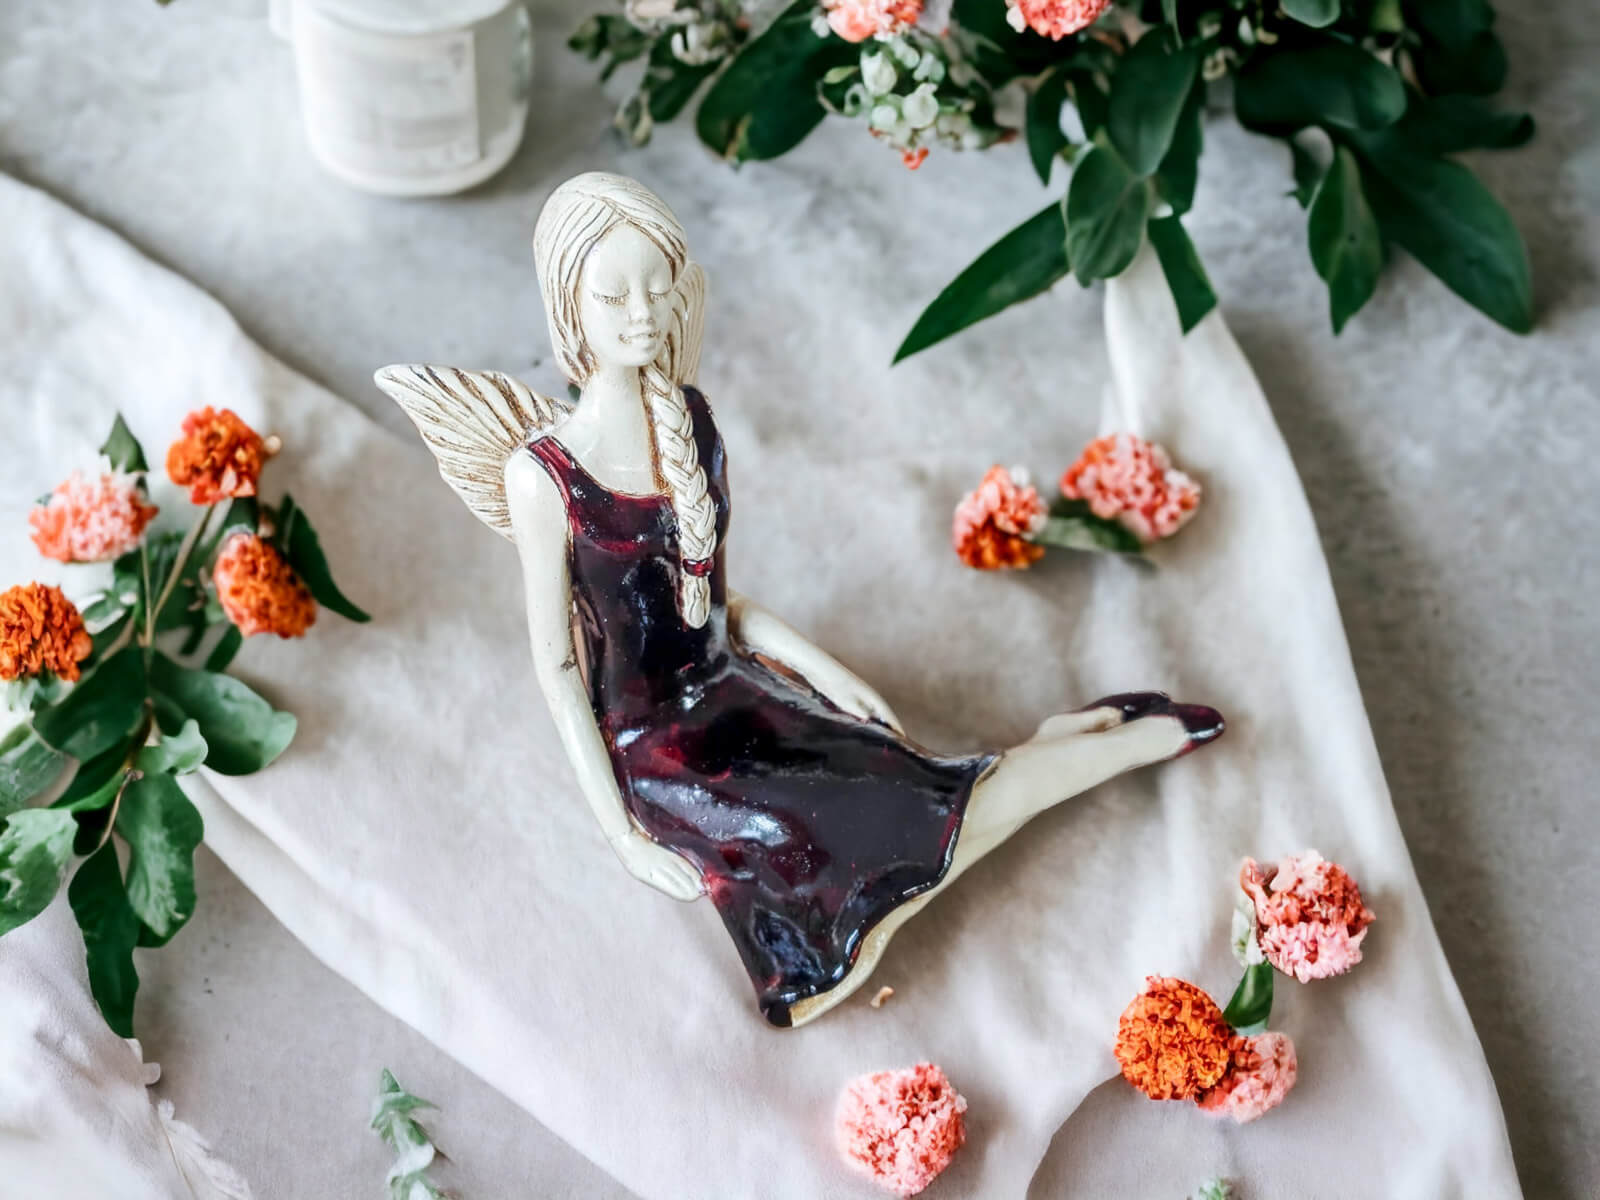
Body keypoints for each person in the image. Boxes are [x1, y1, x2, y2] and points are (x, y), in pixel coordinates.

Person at [376, 172, 1223, 1028]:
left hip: (738, 693)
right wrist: (624, 836)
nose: (640, 314)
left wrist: (824, 670)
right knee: (825, 901)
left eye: (656, 289)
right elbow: (560, 672)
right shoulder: (544, 477)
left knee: (898, 795)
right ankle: (1069, 756)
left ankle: (1094, 752)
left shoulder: (693, 420)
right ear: (569, 304)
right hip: (654, 751)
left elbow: (719, 604)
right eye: (612, 295)